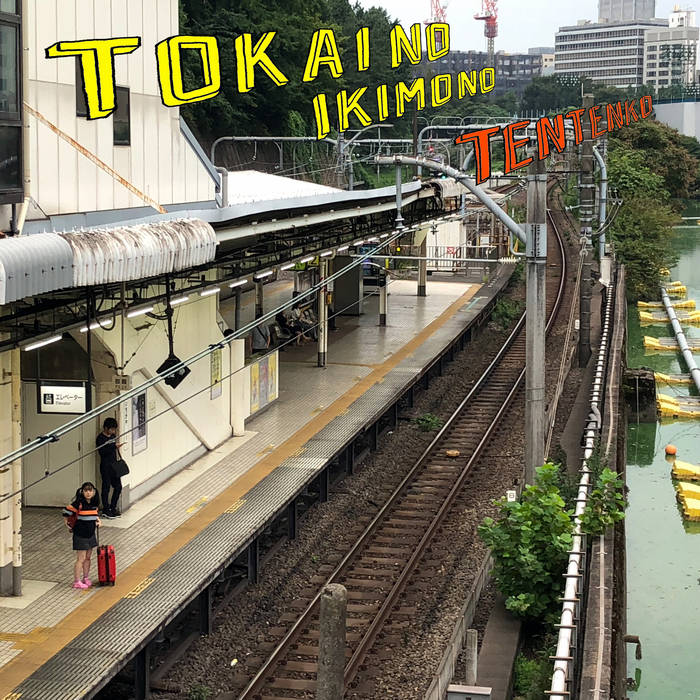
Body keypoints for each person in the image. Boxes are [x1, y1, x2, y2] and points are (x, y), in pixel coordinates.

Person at [62, 482, 101, 589]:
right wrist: (68, 525)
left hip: (91, 534)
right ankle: (77, 581)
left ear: (94, 492)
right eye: (86, 490)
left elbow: (95, 515)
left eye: (90, 490)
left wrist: (98, 520)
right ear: (82, 492)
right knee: (81, 558)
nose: (88, 493)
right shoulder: (78, 504)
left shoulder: (94, 504)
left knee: (88, 558)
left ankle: (86, 577)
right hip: (80, 535)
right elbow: (65, 512)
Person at [96, 417, 123, 518]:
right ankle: (106, 509)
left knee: (118, 487)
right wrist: (113, 447)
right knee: (106, 488)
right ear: (106, 428)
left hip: (114, 466)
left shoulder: (113, 436)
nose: (113, 431)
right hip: (105, 466)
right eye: (111, 429)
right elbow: (102, 452)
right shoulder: (100, 438)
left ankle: (113, 507)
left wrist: (115, 447)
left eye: (114, 429)